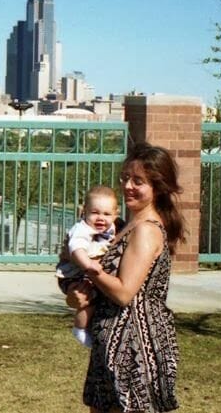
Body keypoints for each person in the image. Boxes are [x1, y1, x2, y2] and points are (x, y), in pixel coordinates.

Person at [67, 142, 186, 413]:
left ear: (158, 187)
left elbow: (123, 292)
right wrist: (76, 296)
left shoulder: (146, 230)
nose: (128, 186)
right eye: (126, 178)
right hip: (110, 343)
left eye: (138, 181)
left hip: (135, 348)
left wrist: (90, 271)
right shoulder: (119, 227)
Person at [54, 185, 119, 347]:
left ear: (115, 214)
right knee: (89, 301)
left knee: (95, 300)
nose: (100, 218)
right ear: (84, 211)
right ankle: (80, 328)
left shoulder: (112, 228)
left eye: (106, 214)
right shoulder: (82, 229)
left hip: (87, 274)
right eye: (95, 213)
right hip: (73, 275)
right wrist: (88, 265)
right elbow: (76, 249)